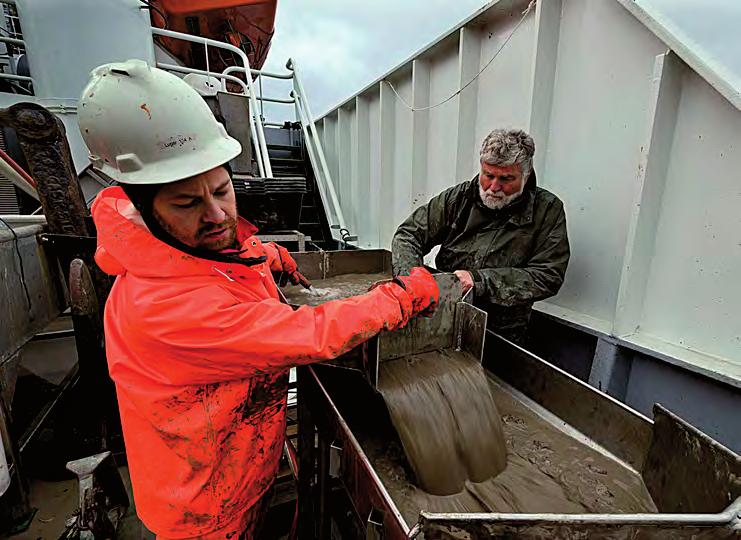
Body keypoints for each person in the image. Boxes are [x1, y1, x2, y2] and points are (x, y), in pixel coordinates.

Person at [79, 59, 438, 540]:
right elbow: (310, 333)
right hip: (207, 505)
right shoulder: (163, 309)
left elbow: (209, 261)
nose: (216, 214)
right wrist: (400, 298)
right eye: (187, 204)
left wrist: (260, 254)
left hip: (233, 461)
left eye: (222, 191)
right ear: (144, 204)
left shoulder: (165, 247)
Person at [392, 128, 569, 343]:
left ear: (526, 175)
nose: (494, 187)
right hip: (445, 314)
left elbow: (548, 276)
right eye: (488, 175)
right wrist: (413, 279)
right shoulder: (457, 198)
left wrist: (479, 281)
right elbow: (408, 235)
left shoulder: (548, 210)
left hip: (503, 330)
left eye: (506, 178)